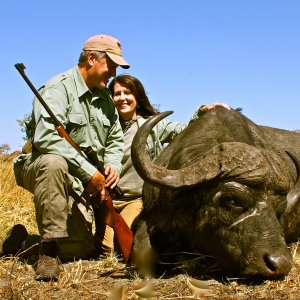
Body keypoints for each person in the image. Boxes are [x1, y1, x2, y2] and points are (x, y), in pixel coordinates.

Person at [7, 34, 130, 281]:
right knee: (55, 162)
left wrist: (111, 167)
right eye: (112, 65)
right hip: (41, 166)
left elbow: (115, 140)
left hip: (82, 177)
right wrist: (89, 174)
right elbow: (45, 140)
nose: (114, 73)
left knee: (80, 249)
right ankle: (49, 252)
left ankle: (22, 241)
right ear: (92, 59)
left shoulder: (105, 97)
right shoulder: (57, 88)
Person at [96, 74, 230, 255]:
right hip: (105, 199)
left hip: (134, 200)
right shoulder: (102, 127)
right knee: (102, 248)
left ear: (137, 97)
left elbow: (184, 130)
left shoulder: (152, 126)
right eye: (117, 94)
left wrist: (202, 112)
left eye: (127, 93)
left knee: (115, 249)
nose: (122, 98)